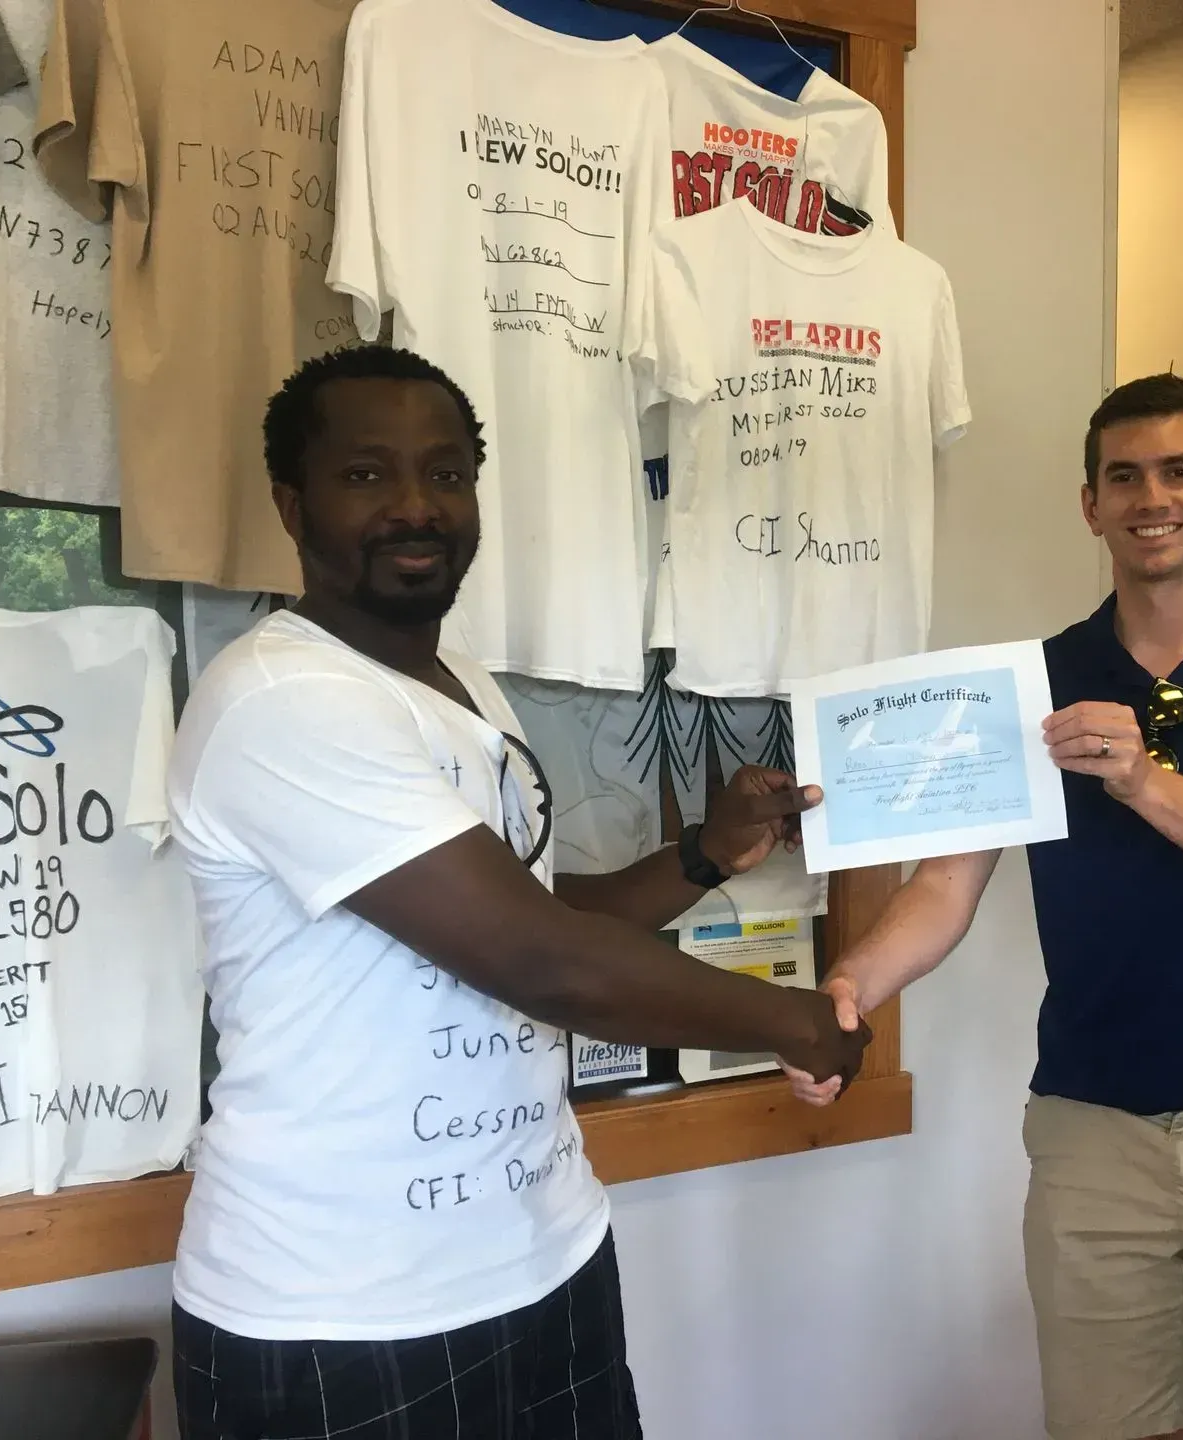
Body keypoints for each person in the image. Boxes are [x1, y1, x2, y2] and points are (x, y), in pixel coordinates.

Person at [165, 343, 867, 1439]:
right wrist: (797, 1022)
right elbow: (540, 963)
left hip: (545, 1257)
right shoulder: (282, 698)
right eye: (367, 475)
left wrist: (704, 855)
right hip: (340, 1314)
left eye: (446, 474)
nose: (415, 505)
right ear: (292, 506)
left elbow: (537, 916)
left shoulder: (459, 685)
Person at [788, 373, 1183, 1440]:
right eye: (1123, 478)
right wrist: (846, 988)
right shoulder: (1034, 681)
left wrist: (1146, 784)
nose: (1151, 498)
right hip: (1091, 1130)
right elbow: (944, 886)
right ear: (1091, 506)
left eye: (1178, 472)